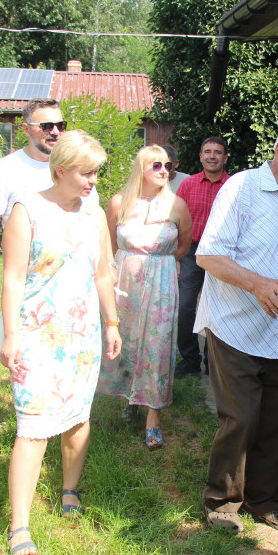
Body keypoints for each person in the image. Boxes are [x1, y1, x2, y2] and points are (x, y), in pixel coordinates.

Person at [0, 129, 123, 555]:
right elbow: (12, 278)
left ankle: (70, 489)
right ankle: (19, 526)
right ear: (61, 169)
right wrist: (11, 335)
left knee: (76, 418)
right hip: (34, 335)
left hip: (81, 335)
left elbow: (103, 272)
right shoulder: (26, 209)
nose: (93, 182)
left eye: (96, 174)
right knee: (33, 428)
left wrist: (112, 322)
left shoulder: (92, 214)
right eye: (87, 174)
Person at [196, 122, 278, 533]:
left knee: (275, 423)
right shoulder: (241, 188)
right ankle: (222, 502)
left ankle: (265, 502)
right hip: (233, 326)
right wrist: (257, 284)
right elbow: (209, 255)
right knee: (242, 417)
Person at [97, 146, 192, 449]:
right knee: (126, 338)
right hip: (125, 283)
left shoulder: (177, 205)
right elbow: (110, 243)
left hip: (162, 285)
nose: (165, 171)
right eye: (156, 166)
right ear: (141, 169)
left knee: (158, 345)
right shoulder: (118, 203)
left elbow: (185, 245)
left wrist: (161, 262)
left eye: (167, 165)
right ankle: (131, 395)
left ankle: (153, 416)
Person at [0, 98, 99, 313]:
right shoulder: (6, 170)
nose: (55, 132)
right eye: (46, 126)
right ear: (26, 129)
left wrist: (108, 266)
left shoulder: (78, 169)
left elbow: (94, 222)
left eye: (60, 125)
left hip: (79, 285)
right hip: (30, 286)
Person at [175, 137, 231, 377]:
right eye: (207, 151)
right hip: (191, 252)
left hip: (221, 255)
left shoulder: (233, 185)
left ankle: (214, 362)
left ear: (225, 158)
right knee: (186, 306)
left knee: (218, 309)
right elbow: (175, 219)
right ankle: (189, 359)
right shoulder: (187, 185)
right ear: (200, 157)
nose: (212, 156)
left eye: (217, 152)